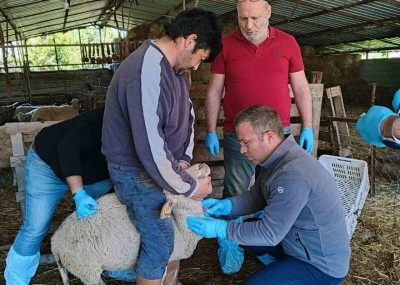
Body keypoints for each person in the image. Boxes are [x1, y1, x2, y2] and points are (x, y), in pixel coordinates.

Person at [101, 8, 222, 285]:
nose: (195, 67)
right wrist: (191, 187)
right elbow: (150, 147)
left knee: (170, 235)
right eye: (200, 58)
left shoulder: (174, 70)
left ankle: (166, 280)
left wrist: (182, 158)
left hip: (160, 168)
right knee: (160, 242)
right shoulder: (146, 71)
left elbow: (187, 115)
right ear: (189, 41)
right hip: (136, 174)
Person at [188, 105, 351, 285]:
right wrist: (227, 205)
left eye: (246, 142)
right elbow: (256, 197)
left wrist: (221, 229)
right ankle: (282, 270)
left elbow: (269, 233)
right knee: (247, 228)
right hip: (296, 243)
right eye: (240, 143)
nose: (242, 150)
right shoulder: (276, 160)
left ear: (269, 137)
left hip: (319, 265)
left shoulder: (292, 174)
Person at [205, 0, 313, 199]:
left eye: (255, 18)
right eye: (243, 18)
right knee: (236, 191)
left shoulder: (288, 43)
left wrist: (308, 126)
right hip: (238, 135)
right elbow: (214, 91)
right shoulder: (225, 45)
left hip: (277, 133)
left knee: (278, 188)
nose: (248, 25)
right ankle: (234, 228)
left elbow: (301, 88)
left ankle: (268, 228)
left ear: (268, 12)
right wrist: (210, 130)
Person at [4, 107, 117, 285]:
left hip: (97, 176)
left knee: (104, 219)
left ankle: (107, 265)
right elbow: (68, 146)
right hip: (47, 165)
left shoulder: (149, 132)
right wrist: (78, 193)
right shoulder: (106, 118)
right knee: (35, 227)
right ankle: (16, 280)